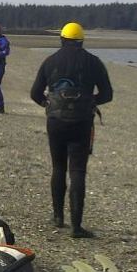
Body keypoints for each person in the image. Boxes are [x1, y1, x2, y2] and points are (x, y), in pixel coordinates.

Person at [30, 22, 113, 238]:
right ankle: (77, 226)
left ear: (62, 39)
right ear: (81, 40)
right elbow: (107, 94)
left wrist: (48, 105)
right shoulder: (93, 62)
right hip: (82, 122)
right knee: (78, 171)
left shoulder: (50, 61)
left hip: (56, 121)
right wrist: (89, 101)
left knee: (58, 167)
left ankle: (58, 216)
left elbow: (35, 93)